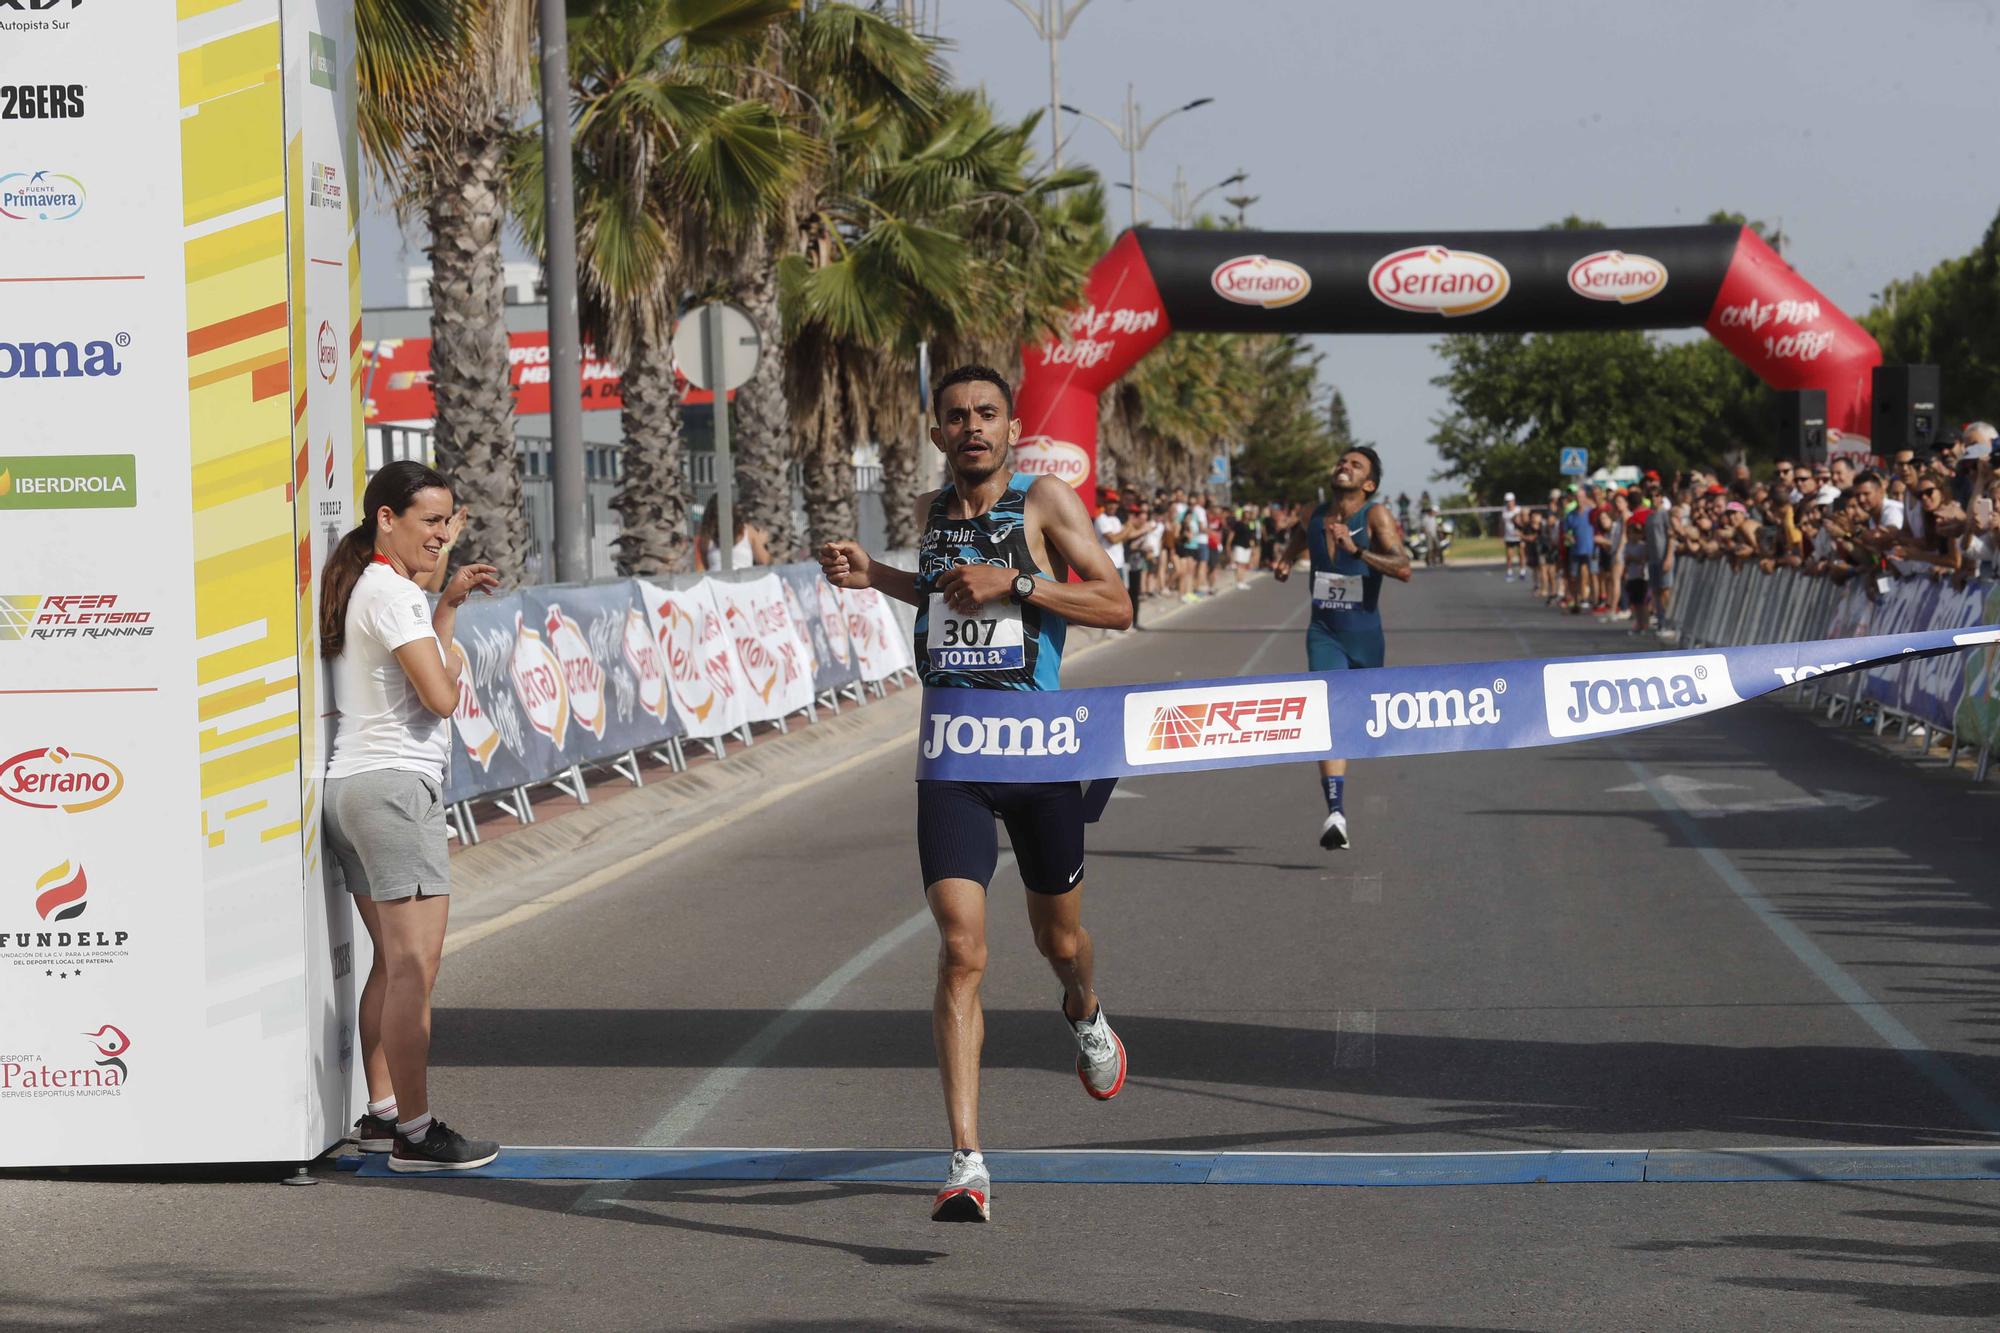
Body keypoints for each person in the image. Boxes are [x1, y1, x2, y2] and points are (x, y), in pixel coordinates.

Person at [817, 365, 1133, 1224]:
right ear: (936, 429)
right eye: (956, 416)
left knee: (1058, 941)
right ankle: (966, 1161)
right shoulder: (928, 515)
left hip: (1036, 754)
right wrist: (873, 574)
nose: (972, 428)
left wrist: (1019, 582)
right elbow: (942, 597)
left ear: (1011, 424)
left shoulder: (1043, 502)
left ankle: (1085, 1006)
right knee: (963, 952)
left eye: (987, 413)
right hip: (953, 754)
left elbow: (1116, 603)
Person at [319, 461, 502, 1173]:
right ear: (386, 520)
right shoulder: (392, 596)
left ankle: (384, 1113)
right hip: (397, 792)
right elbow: (440, 698)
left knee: (391, 968)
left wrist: (447, 596)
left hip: (357, 789)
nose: (442, 534)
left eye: (449, 521)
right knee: (414, 971)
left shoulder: (376, 584)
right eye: (431, 521)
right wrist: (452, 670)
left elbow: (423, 618)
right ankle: (417, 1135)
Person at [1271, 446, 1412, 851]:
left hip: (1365, 633)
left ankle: (1340, 795)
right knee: (1326, 710)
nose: (1344, 467)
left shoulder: (1375, 516)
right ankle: (1336, 811)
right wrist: (1285, 558)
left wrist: (1357, 552)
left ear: (1369, 484)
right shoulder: (1312, 512)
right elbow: (1302, 532)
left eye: (1356, 465)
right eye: (1342, 462)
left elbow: (1403, 567)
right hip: (1324, 630)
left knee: (1358, 719)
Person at [695, 501, 772, 572]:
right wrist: (759, 543)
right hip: (743, 583)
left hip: (718, 583)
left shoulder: (706, 538)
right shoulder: (748, 531)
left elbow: (707, 566)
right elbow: (765, 561)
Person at [1500, 492, 1521, 581]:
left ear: (1514, 500)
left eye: (1510, 501)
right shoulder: (1504, 511)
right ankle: (1509, 572)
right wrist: (1501, 536)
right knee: (1509, 555)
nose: (1509, 503)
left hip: (1519, 536)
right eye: (1507, 501)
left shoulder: (1518, 510)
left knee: (1521, 554)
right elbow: (1501, 524)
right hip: (1509, 536)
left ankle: (1522, 572)